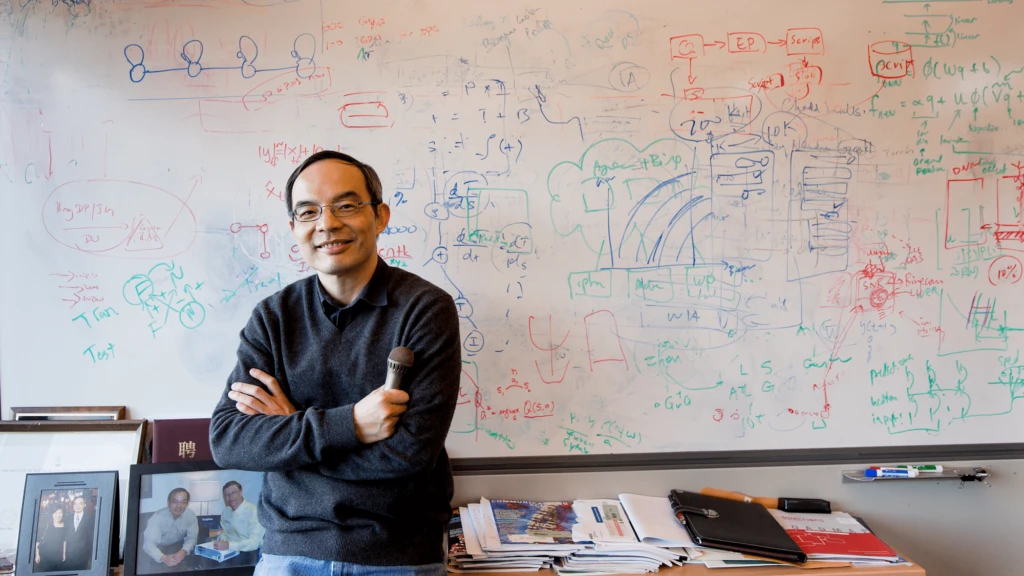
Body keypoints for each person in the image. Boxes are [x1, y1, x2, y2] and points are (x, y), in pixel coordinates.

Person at [210, 151, 461, 576]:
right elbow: (230, 438)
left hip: (396, 555)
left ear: (380, 216)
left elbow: (410, 453)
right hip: (288, 553)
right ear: (294, 228)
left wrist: (290, 429)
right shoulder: (273, 317)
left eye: (346, 205)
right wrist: (352, 425)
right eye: (308, 212)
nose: (326, 224)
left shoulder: (425, 309)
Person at [141, 488, 198, 569]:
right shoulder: (157, 518)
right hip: (158, 548)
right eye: (175, 502)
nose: (179, 506)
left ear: (187, 504)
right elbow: (148, 545)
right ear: (168, 503)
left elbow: (192, 539)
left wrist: (183, 551)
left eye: (183, 502)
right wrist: (163, 558)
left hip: (178, 547)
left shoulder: (190, 515)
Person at [213, 481, 264, 552]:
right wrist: (221, 540)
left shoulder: (254, 512)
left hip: (249, 552)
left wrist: (228, 546)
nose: (230, 497)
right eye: (226, 495)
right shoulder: (226, 512)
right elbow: (225, 532)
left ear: (241, 493)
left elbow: (254, 543)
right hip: (229, 551)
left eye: (233, 493)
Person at [63, 496, 94, 570]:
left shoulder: (90, 518)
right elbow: (64, 535)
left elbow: (91, 537)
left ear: (84, 505)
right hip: (68, 554)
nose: (77, 506)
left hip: (83, 555)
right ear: (73, 506)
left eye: (80, 503)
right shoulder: (67, 518)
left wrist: (90, 554)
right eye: (75, 504)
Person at [35, 507, 67, 572]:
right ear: (52, 514)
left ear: (63, 514)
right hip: (46, 555)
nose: (58, 515)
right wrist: (37, 555)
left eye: (60, 513)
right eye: (55, 513)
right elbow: (38, 541)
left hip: (58, 555)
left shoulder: (65, 526)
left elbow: (64, 541)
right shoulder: (45, 525)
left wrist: (64, 554)